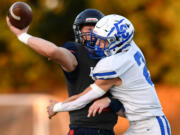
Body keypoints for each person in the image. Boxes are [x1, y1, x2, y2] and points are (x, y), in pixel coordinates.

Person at [47, 14, 171, 135]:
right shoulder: (129, 46)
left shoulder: (115, 64)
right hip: (140, 125)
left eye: (103, 41)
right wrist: (109, 101)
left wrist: (56, 107)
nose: (97, 44)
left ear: (116, 42)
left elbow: (82, 100)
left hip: (151, 127)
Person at [6, 9, 123, 135]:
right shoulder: (76, 52)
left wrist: (111, 102)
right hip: (84, 130)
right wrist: (22, 35)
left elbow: (128, 105)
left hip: (109, 131)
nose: (93, 33)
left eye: (97, 29)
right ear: (79, 31)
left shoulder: (113, 57)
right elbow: (53, 51)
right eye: (88, 29)